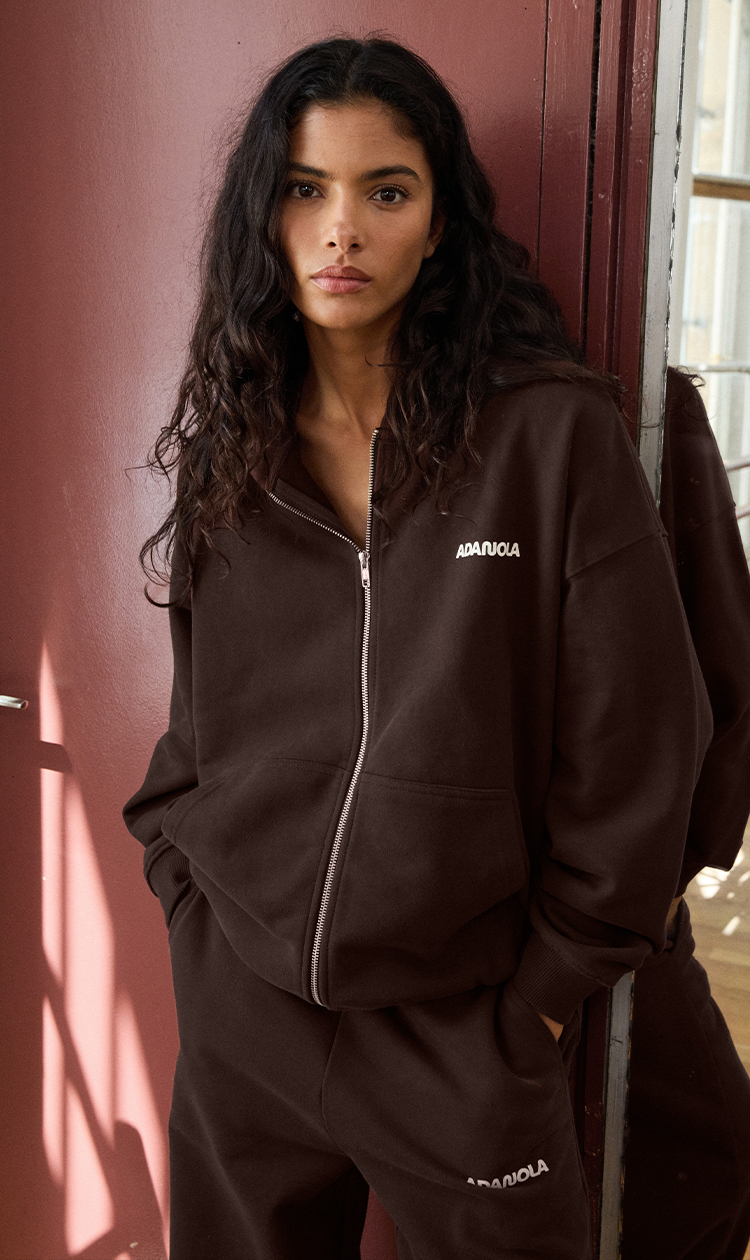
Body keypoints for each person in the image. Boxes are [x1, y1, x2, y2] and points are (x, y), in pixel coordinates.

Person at [123, 37, 713, 1260]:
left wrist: (542, 1000)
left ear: (440, 224)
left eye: (385, 191)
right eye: (305, 188)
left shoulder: (552, 437)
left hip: (465, 1032)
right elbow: (200, 722)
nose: (341, 229)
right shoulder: (235, 447)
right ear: (263, 215)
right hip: (245, 1013)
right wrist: (190, 904)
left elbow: (640, 747)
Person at [622, 367, 750, 1260]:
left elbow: (726, 663)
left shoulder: (653, 405)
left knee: (717, 1157)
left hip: (622, 899)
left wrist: (666, 886)